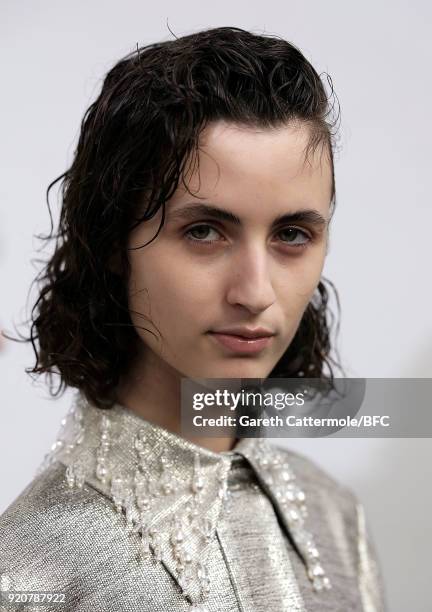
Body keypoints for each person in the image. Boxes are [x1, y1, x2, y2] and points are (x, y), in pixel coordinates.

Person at [0, 26, 386, 611]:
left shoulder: (336, 519)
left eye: (291, 234)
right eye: (203, 231)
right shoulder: (32, 573)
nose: (255, 292)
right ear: (110, 238)